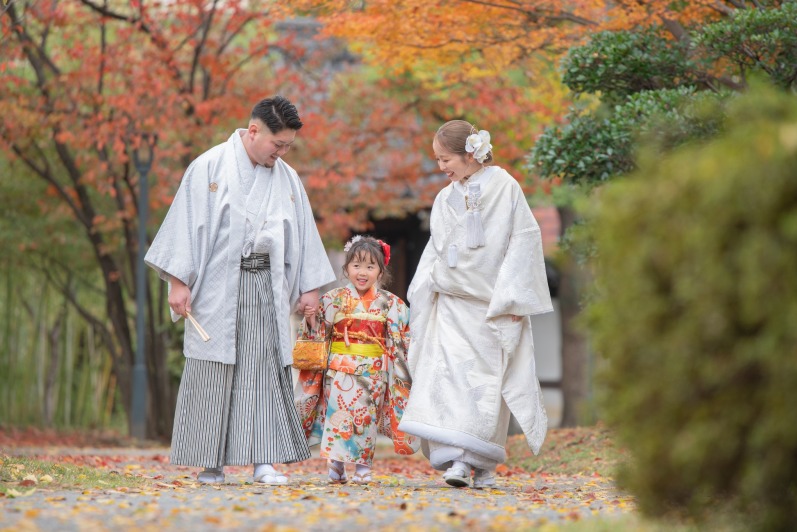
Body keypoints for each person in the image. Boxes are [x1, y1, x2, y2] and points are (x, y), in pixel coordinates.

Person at [145, 96, 335, 485]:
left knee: (265, 369)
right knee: (214, 368)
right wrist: (179, 283)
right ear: (253, 131)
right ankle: (210, 462)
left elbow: (302, 235)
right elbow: (186, 225)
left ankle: (264, 459)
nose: (281, 153)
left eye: (287, 147)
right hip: (217, 285)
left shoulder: (288, 179)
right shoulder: (209, 167)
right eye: (276, 144)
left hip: (266, 285)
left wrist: (309, 288)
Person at [398, 121, 553, 488]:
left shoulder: (505, 187)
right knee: (446, 378)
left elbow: (524, 241)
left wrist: (513, 297)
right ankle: (458, 459)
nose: (442, 168)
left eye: (445, 159)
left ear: (470, 153)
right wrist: (426, 289)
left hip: (489, 305)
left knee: (484, 386)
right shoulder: (443, 197)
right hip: (450, 302)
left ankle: (478, 463)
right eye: (437, 160)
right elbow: (435, 250)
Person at [294, 236, 419, 484]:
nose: (363, 273)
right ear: (347, 268)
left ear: (380, 271)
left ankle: (362, 467)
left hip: (372, 374)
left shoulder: (391, 303)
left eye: (370, 267)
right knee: (338, 416)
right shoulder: (332, 299)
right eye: (357, 266)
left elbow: (402, 336)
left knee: (365, 419)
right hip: (337, 370)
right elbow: (318, 330)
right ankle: (337, 464)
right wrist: (310, 318)